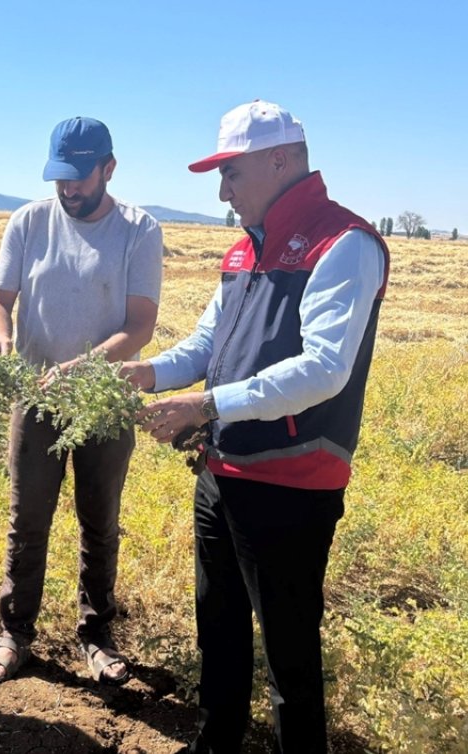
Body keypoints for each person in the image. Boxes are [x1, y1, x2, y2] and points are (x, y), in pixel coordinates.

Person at [123, 101, 389, 753]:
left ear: (280, 160)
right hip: (224, 473)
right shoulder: (245, 249)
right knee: (219, 627)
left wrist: (206, 407)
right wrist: (147, 374)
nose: (222, 191)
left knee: (289, 654)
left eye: (231, 173)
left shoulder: (343, 244)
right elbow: (208, 342)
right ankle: (217, 744)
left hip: (292, 482)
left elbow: (325, 369)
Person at [0, 116, 164, 686]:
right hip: (36, 399)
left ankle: (96, 635)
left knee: (98, 522)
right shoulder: (29, 221)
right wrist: (1, 340)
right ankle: (15, 633)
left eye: (80, 178)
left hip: (103, 401)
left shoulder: (138, 230)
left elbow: (140, 325)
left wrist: (82, 368)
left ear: (109, 168)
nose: (69, 190)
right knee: (27, 519)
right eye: (60, 177)